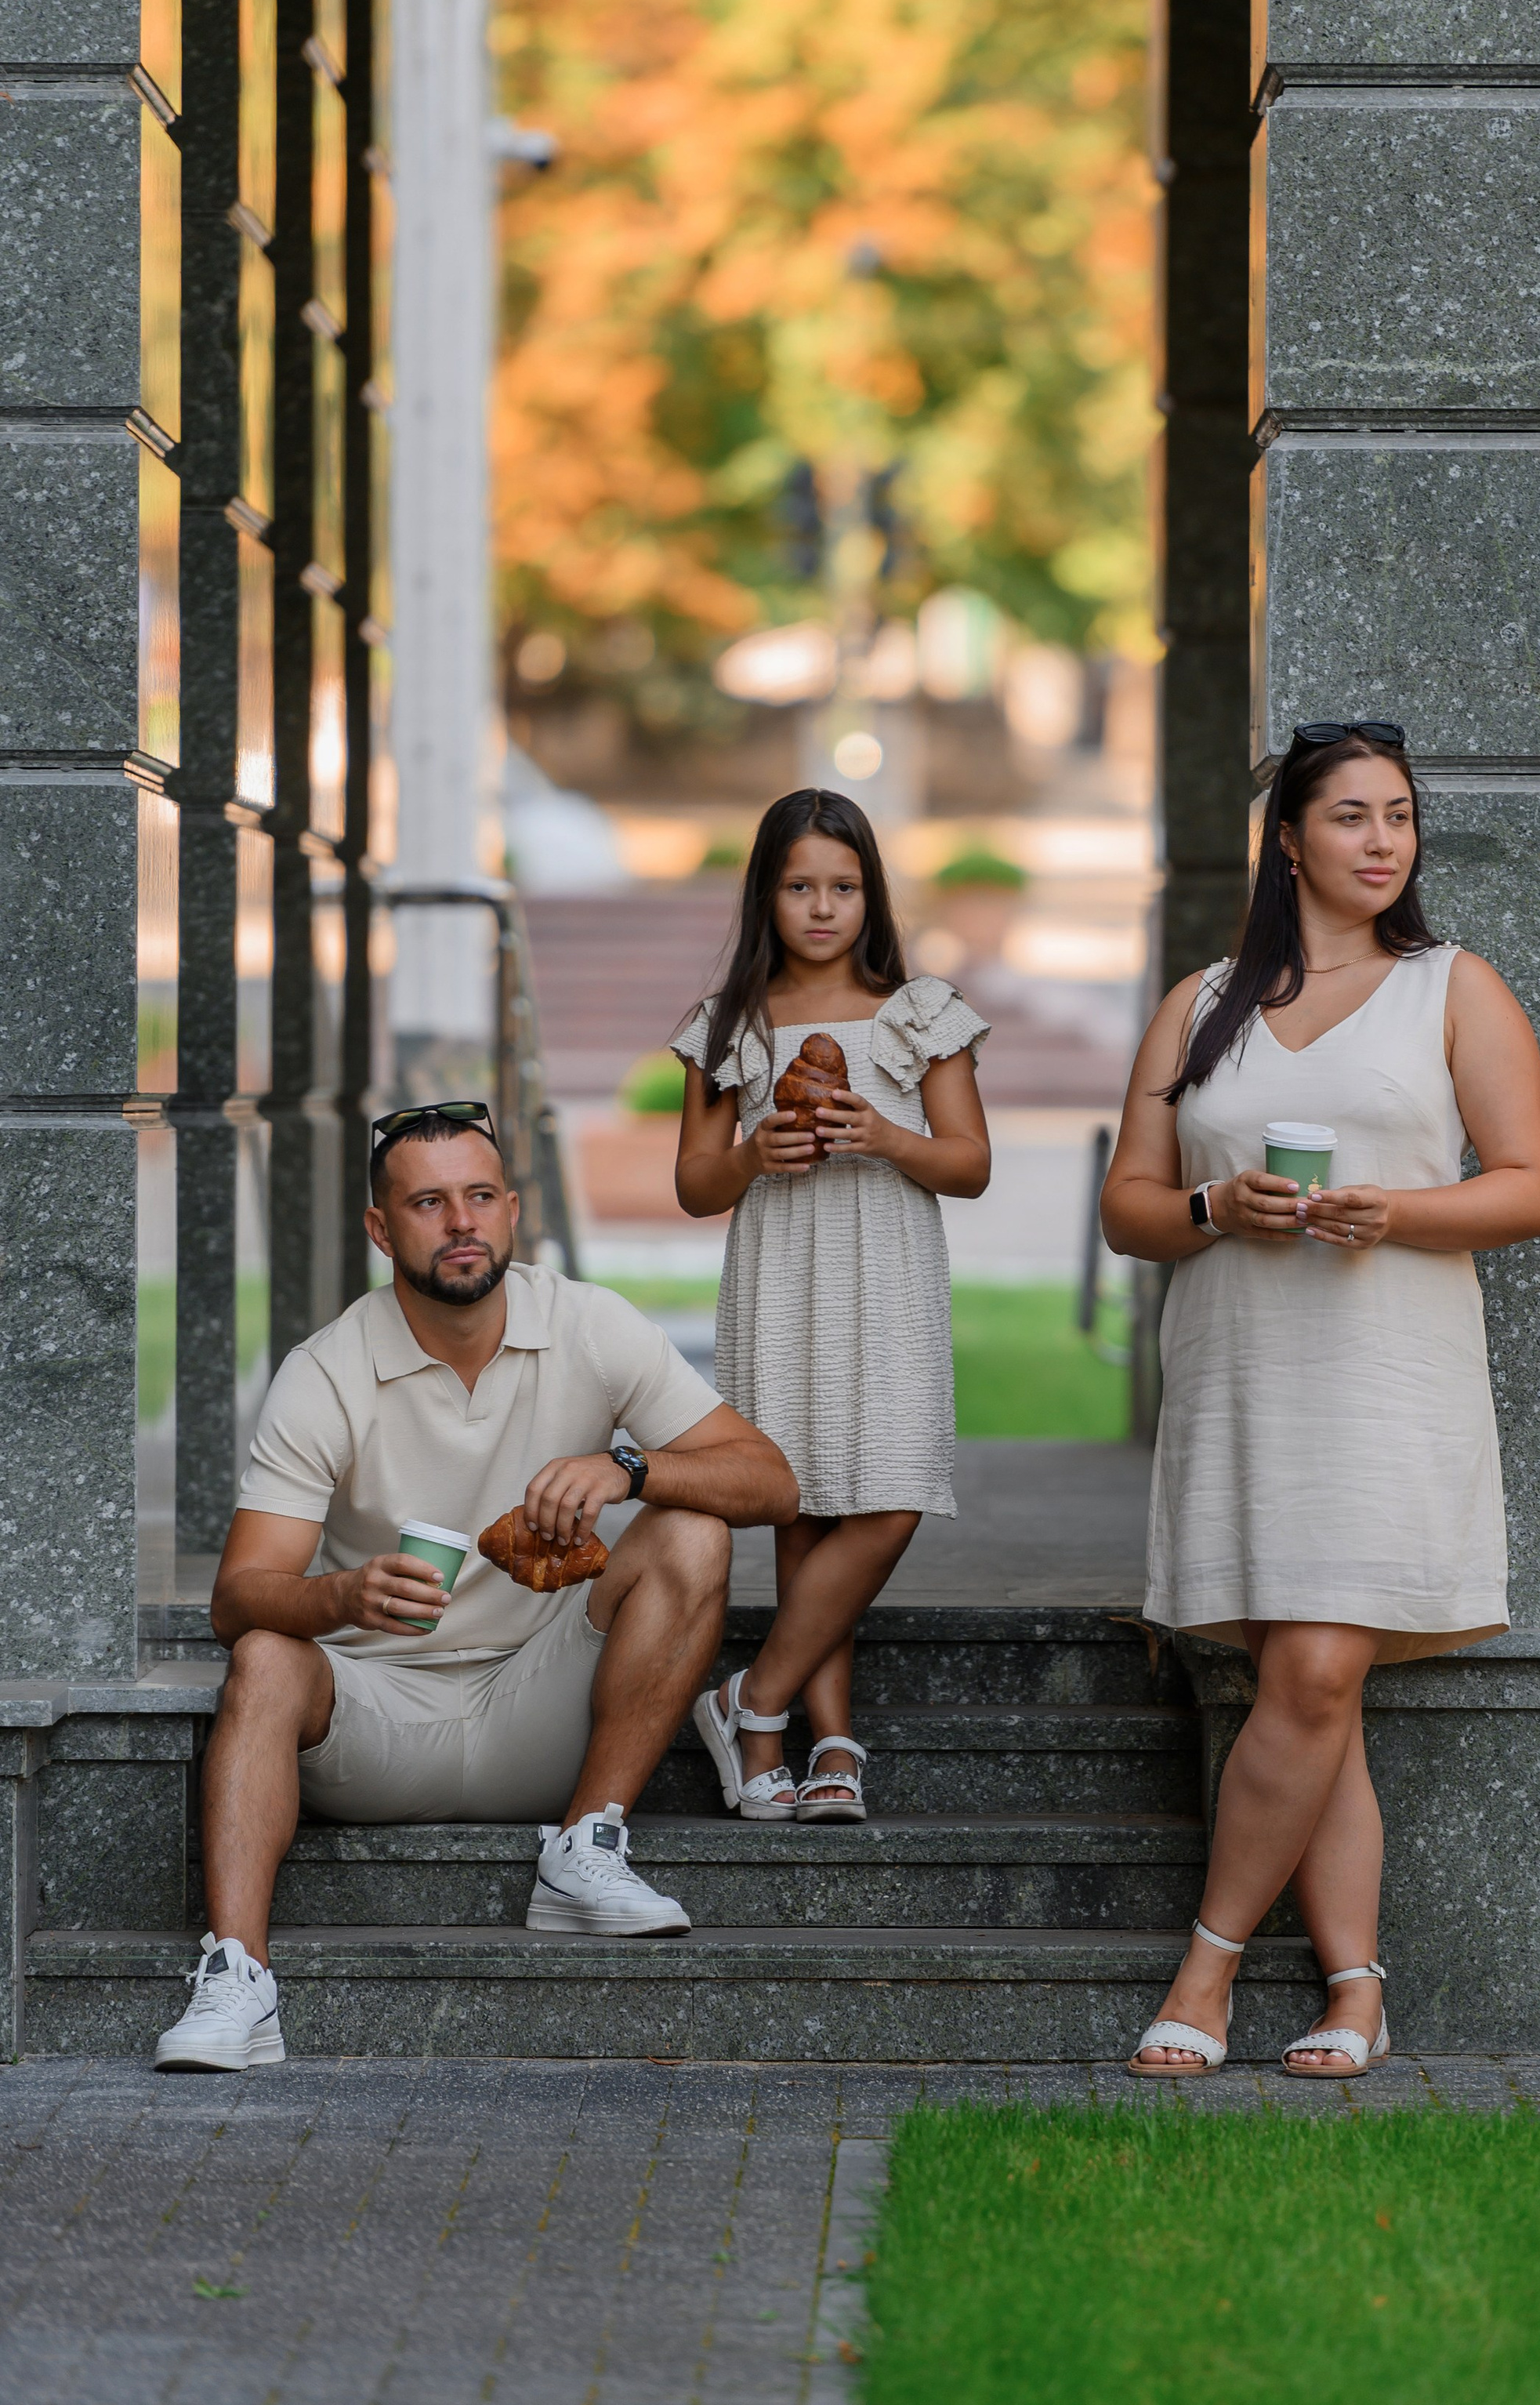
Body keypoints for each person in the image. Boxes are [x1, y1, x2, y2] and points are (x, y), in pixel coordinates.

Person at [153, 1101, 798, 2073]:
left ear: (512, 1209)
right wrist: (341, 1598)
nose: (460, 1221)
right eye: (427, 1201)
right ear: (381, 1229)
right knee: (265, 1655)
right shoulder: (326, 1369)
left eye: (480, 1195)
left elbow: (773, 1481)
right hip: (375, 1724)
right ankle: (238, 1977)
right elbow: (236, 1598)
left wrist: (631, 1467)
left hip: (545, 1705)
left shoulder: (588, 1321)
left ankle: (585, 1848)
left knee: (693, 1531)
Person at [1100, 719, 1540, 2079]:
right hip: (1244, 1376)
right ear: (1288, 838)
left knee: (1309, 1671)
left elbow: (1530, 1185)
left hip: (1389, 1381)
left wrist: (1399, 1208)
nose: (1381, 840)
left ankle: (1210, 1966)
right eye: (1352, 816)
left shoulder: (1456, 989)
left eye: (1401, 816)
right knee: (1320, 1690)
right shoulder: (1198, 1003)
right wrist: (1212, 1202)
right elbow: (1130, 1208)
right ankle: (1357, 1986)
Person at [673, 787, 990, 1823]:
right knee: (804, 1505)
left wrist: (886, 1137)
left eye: (843, 887)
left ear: (873, 894)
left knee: (890, 1490)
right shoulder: (731, 1027)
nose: (822, 907)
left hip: (886, 1268)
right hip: (781, 1268)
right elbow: (692, 1186)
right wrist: (751, 1153)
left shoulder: (919, 1012)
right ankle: (826, 1748)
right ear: (765, 894)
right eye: (799, 885)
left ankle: (750, 1698)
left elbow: (970, 1164)